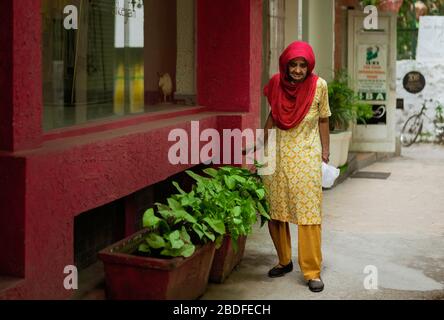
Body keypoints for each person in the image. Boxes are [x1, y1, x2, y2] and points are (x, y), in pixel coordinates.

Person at [260, 41, 331, 293]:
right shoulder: (276, 83)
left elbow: (323, 120)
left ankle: (312, 271)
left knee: (308, 213)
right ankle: (284, 260)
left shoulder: (319, 86)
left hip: (306, 155)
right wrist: (261, 146)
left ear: (309, 66)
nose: (298, 70)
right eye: (293, 64)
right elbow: (272, 115)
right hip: (277, 155)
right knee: (275, 209)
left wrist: (325, 150)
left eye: (303, 65)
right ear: (286, 65)